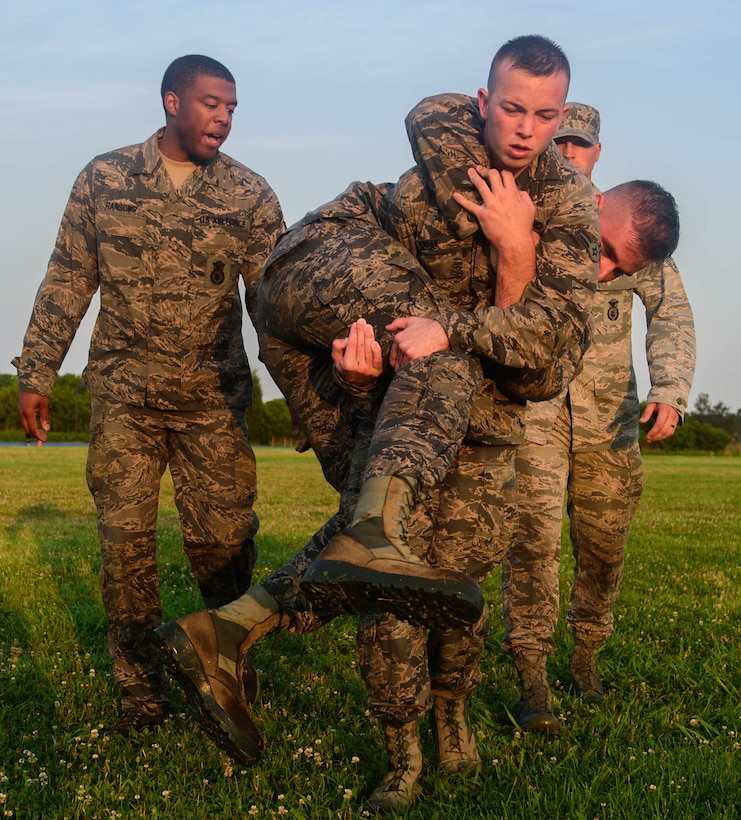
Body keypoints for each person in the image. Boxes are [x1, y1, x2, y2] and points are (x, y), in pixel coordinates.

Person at [156, 34, 603, 811]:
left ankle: (231, 630)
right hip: (317, 268)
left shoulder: (564, 204)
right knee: (443, 345)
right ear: (483, 101)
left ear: (563, 113)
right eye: (511, 108)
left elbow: (550, 362)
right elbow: (495, 320)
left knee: (441, 579)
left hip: (416, 393)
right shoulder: (448, 132)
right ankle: (401, 753)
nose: (526, 130)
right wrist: (502, 270)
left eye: (544, 114)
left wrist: (515, 244)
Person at [13, 55, 285, 737]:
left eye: (231, 107)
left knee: (222, 547)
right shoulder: (104, 179)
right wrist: (37, 373)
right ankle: (141, 698)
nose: (222, 117)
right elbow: (67, 279)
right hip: (125, 400)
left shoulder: (249, 195)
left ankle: (232, 675)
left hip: (211, 404)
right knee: (124, 549)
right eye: (209, 103)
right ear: (171, 102)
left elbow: (278, 308)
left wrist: (310, 400)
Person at [500, 102, 696, 734]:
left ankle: (585, 657)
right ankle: (532, 675)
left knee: (604, 546)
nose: (567, 157)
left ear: (598, 157)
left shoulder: (630, 226)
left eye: (578, 146)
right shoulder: (523, 207)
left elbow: (671, 314)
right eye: (559, 144)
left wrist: (671, 388)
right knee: (532, 542)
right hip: (534, 410)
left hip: (608, 416)